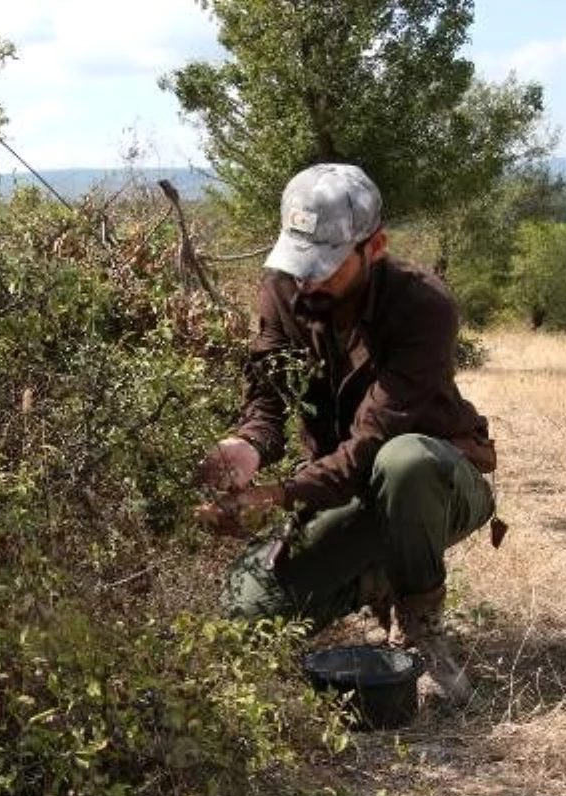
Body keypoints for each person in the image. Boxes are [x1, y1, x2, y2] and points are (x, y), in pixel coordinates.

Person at [197, 163, 498, 705]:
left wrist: (281, 496)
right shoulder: (283, 290)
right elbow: (268, 398)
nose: (308, 279)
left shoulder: (423, 307)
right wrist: (247, 446)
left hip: (439, 478)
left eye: (326, 265)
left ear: (374, 245)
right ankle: (377, 571)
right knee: (245, 614)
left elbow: (372, 443)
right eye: (299, 261)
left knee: (405, 463)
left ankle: (421, 631)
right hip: (348, 486)